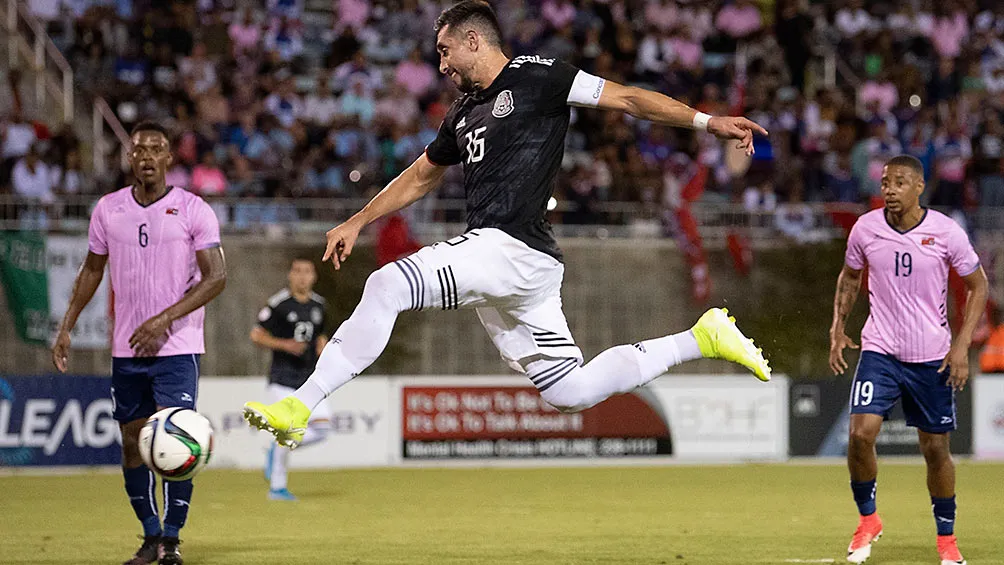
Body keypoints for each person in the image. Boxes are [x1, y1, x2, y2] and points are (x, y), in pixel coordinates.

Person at [243, 0, 771, 450]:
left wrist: (707, 122)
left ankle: (299, 404)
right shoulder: (462, 111)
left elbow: (629, 98)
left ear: (474, 40)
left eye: (446, 51)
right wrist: (359, 219)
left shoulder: (541, 76)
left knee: (386, 284)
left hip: (508, 250)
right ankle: (702, 338)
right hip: (523, 268)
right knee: (570, 392)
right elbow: (423, 174)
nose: (442, 65)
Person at [51, 121, 227, 565]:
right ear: (129, 157)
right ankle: (150, 536)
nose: (146, 156)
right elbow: (92, 271)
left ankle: (172, 539)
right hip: (127, 349)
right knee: (133, 444)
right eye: (138, 149)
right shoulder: (108, 210)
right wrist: (67, 324)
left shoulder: (193, 209)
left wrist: (164, 319)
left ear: (170, 158)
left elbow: (217, 277)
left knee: (177, 440)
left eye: (156, 149)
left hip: (177, 346)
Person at [829, 155, 987, 565]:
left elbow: (979, 285)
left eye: (899, 182)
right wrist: (837, 328)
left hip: (931, 357)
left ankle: (947, 541)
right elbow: (849, 277)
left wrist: (961, 346)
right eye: (885, 182)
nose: (889, 189)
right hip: (880, 350)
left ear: (919, 187)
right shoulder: (866, 229)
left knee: (935, 450)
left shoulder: (946, 232)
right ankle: (868, 520)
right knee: (861, 434)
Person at [250, 257, 330, 500]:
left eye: (307, 271)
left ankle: (275, 451)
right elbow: (256, 335)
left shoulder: (320, 305)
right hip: (282, 378)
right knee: (290, 428)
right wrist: (283, 344)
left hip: (309, 379)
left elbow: (321, 335)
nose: (302, 276)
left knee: (323, 428)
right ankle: (277, 488)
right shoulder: (279, 305)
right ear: (290, 275)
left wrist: (323, 346)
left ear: (314, 276)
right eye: (297, 271)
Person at [979, 306, 1004, 373]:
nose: (996, 317)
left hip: (1001, 368)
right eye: (994, 315)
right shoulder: (986, 331)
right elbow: (978, 345)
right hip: (987, 369)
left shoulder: (1002, 331)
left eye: (998, 315)